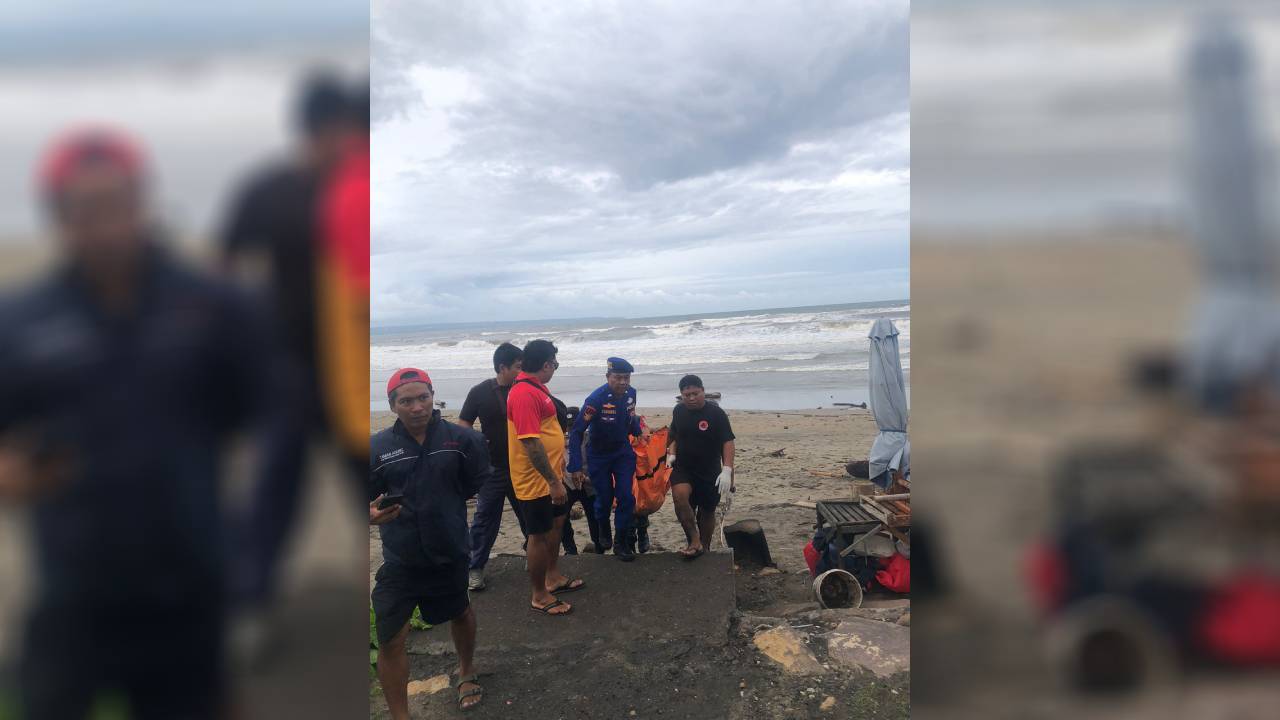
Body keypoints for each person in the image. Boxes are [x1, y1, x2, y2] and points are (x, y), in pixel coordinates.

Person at [0, 128, 267, 717]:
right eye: (84, 211)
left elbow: (268, 412)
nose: (106, 227)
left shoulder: (214, 306)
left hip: (188, 581)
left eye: (119, 205)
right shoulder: (20, 321)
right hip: (73, 585)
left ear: (142, 202)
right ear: (59, 217)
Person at [222, 71, 359, 612]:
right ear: (315, 131)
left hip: (345, 368)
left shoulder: (356, 193)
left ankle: (371, 588)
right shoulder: (270, 190)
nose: (349, 143)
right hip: (286, 369)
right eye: (341, 131)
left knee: (363, 483)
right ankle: (251, 602)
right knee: (275, 487)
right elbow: (225, 264)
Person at [370, 368, 490, 715]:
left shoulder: (463, 440)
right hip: (400, 558)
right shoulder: (378, 448)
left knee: (460, 611)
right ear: (393, 405)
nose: (417, 407)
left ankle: (466, 671)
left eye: (423, 397)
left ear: (432, 396)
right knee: (392, 637)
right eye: (406, 401)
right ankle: (400, 714)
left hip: (449, 550)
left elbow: (473, 483)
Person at [507, 340, 584, 616]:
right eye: (555, 364)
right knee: (538, 535)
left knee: (557, 524)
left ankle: (552, 577)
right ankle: (539, 594)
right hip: (536, 480)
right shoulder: (524, 394)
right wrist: (552, 482)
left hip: (551, 475)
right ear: (547, 364)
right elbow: (530, 443)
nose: (555, 368)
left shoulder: (536, 387)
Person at [458, 342, 528, 590]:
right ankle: (474, 568)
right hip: (493, 469)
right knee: (485, 520)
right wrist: (475, 445)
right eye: (519, 367)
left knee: (529, 515)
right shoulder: (479, 392)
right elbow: (464, 424)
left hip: (524, 467)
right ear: (502, 367)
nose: (522, 371)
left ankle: (534, 554)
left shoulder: (526, 389)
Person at [568, 357, 650, 560]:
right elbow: (577, 431)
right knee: (604, 499)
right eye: (618, 377)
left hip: (622, 453)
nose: (623, 382)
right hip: (598, 455)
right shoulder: (595, 400)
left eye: (627, 378)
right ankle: (604, 527)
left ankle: (621, 543)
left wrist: (638, 430)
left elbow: (629, 417)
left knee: (626, 497)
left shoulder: (632, 393)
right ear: (608, 377)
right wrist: (576, 465)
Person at [667, 375, 736, 559]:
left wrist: (727, 471)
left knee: (707, 510)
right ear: (681, 395)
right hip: (683, 468)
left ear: (703, 391)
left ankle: (704, 546)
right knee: (680, 498)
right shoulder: (678, 411)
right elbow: (673, 434)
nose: (691, 398)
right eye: (686, 394)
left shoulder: (716, 414)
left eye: (695, 393)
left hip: (709, 470)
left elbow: (727, 442)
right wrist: (671, 453)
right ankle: (694, 540)